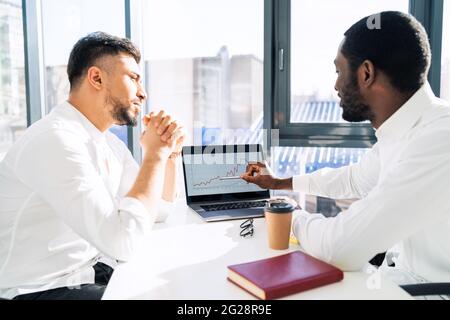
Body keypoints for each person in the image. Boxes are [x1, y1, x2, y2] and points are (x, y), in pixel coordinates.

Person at [241, 11, 450, 286]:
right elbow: (355, 179)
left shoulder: (438, 138)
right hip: (403, 280)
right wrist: (281, 183)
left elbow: (340, 249)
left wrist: (291, 217)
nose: (336, 85)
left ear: (366, 73)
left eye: (339, 71)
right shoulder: (408, 130)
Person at [0, 32, 185, 300]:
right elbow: (123, 243)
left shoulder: (108, 143)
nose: (142, 93)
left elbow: (158, 210)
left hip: (86, 273)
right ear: (96, 78)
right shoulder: (55, 140)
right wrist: (154, 155)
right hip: (37, 290)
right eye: (133, 78)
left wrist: (169, 155)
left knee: (175, 282)